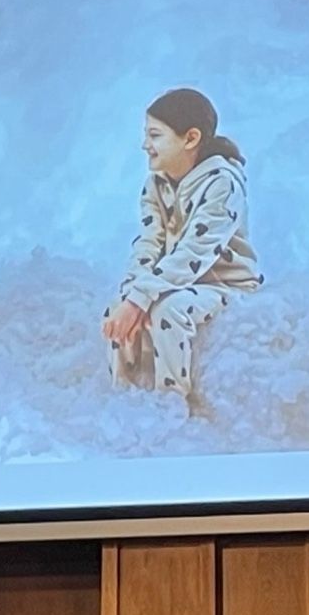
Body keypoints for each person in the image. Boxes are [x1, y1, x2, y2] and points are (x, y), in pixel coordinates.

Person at [100, 88, 263, 401]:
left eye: (155, 135)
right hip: (172, 284)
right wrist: (132, 295)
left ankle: (172, 404)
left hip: (226, 288)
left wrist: (140, 300)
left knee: (168, 311)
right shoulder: (155, 185)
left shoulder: (222, 183)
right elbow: (149, 243)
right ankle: (122, 398)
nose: (145, 145)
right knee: (116, 309)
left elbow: (193, 254)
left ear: (190, 139)